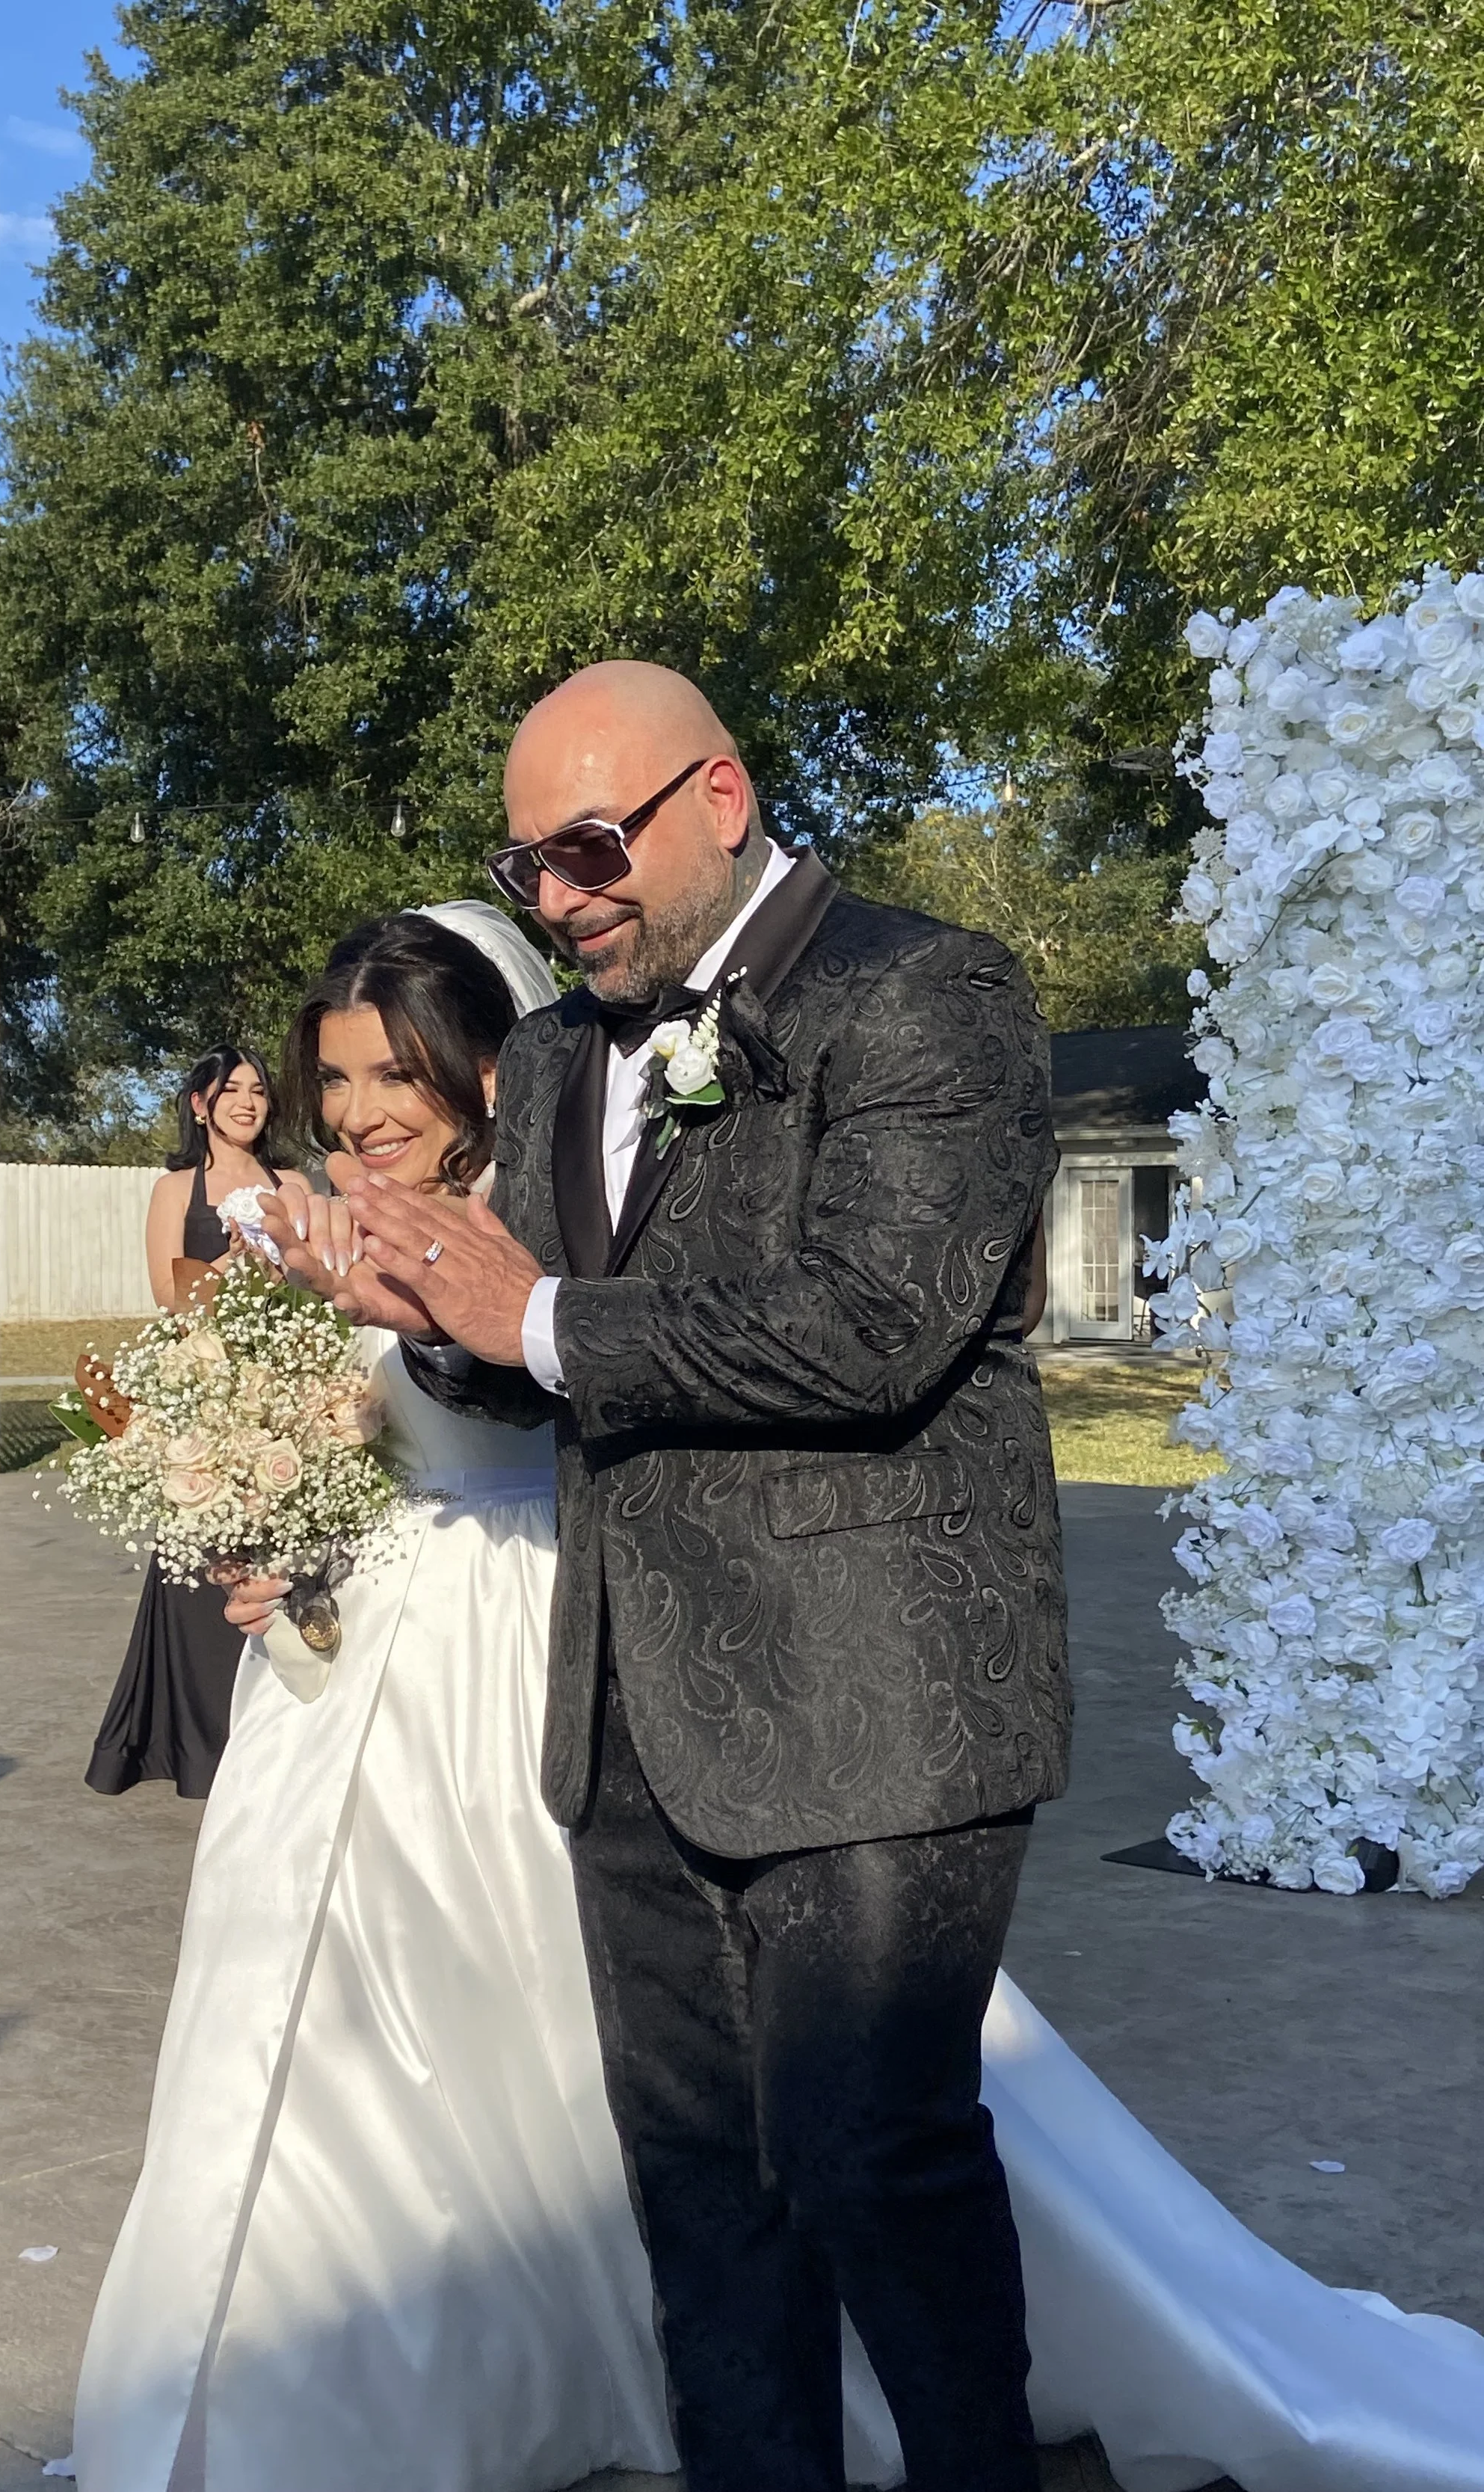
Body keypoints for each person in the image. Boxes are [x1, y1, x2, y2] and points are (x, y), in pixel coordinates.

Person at [258, 662, 1484, 2492]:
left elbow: (878, 1324)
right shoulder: (570, 1058)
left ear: (720, 800)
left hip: (880, 1706)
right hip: (629, 1719)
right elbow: (522, 1349)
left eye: (590, 847)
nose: (561, 895)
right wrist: (426, 1323)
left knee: (869, 2162)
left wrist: (534, 1312)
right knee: (702, 2202)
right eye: (528, 868)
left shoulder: (926, 991)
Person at [70, 911, 676, 2492]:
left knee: (507, 1987)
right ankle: (283, 2390)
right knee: (280, 1979)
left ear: (486, 1058)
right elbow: (318, 1423)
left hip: (515, 1623)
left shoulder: (556, 1209)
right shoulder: (297, 1225)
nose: (353, 1108)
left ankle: (545, 2356)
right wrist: (268, 1528)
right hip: (337, 1653)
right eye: (332, 1076)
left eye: (387, 1069)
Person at [84, 1048, 308, 1802]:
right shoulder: (174, 1189)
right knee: (203, 1563)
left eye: (257, 1090)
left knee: (279, 1564)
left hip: (283, 1389)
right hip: (200, 1387)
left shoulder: (296, 1185)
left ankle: (281, 1732)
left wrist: (276, 1265)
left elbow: (313, 1286)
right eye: (230, 1091)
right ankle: (201, 1740)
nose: (247, 1102)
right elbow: (167, 1296)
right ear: (199, 1105)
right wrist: (232, 1263)